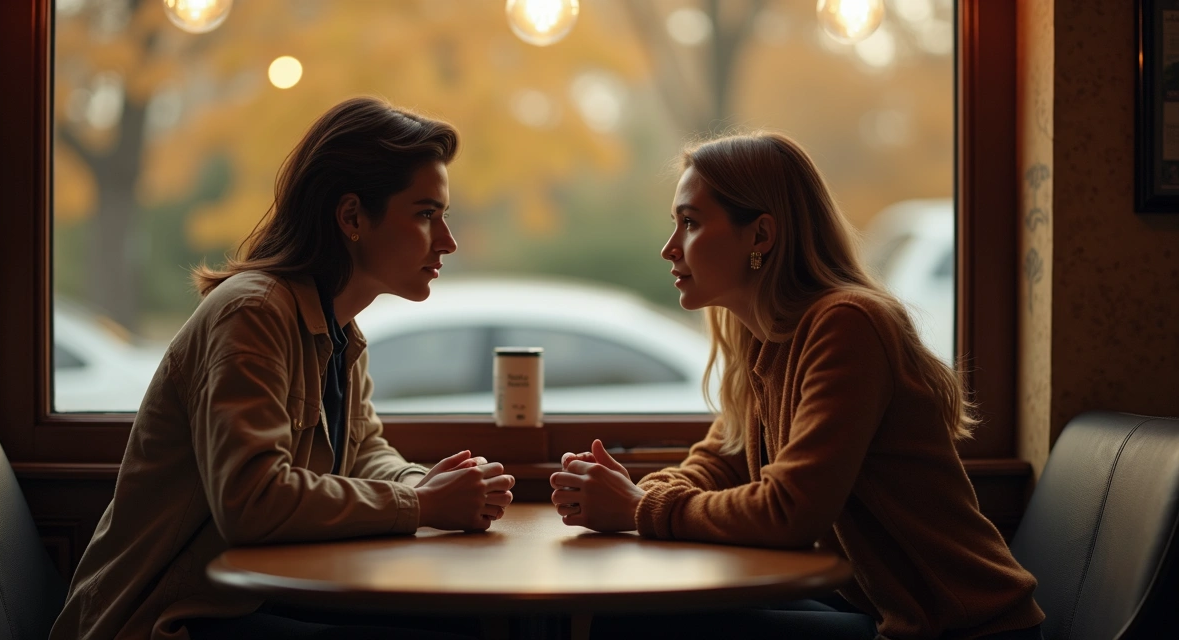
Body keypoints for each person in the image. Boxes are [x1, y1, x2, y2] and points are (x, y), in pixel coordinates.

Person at [50, 96, 514, 640]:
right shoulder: (253, 313)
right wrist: (422, 503)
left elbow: (365, 452)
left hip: (248, 599)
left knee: (466, 622)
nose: (448, 242)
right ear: (351, 217)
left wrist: (426, 484)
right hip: (165, 620)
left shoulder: (339, 329)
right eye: (425, 214)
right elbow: (252, 501)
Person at [549, 132, 1045, 639]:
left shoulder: (848, 324)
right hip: (884, 614)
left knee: (634, 623)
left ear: (761, 235)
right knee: (646, 612)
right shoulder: (764, 337)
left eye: (690, 223)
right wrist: (643, 495)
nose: (669, 248)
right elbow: (718, 462)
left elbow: (789, 512)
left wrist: (637, 506)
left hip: (964, 630)